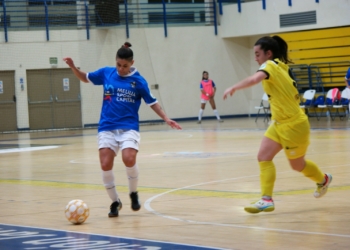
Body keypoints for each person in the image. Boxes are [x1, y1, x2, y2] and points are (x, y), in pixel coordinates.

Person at [63, 42, 182, 218]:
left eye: (125, 66)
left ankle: (133, 192)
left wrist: (166, 118)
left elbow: (152, 102)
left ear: (132, 63)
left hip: (128, 127)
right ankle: (115, 202)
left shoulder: (139, 82)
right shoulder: (106, 73)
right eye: (118, 64)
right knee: (105, 164)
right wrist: (73, 67)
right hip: (107, 127)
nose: (121, 68)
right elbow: (85, 77)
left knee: (129, 158)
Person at [223, 36, 332, 214]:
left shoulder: (269, 66)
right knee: (263, 157)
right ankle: (266, 199)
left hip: (293, 125)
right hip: (279, 123)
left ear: (268, 53)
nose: (255, 58)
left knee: (297, 165)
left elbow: (253, 80)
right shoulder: (282, 67)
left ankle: (324, 179)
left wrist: (234, 87)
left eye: (258, 54)